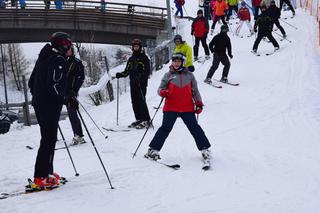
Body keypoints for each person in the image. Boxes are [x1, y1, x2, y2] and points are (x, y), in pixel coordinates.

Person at [145, 52, 211, 163]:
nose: (176, 63)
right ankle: (153, 150)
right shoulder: (168, 75)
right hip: (171, 107)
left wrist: (199, 103)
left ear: (182, 62)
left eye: (179, 61)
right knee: (165, 128)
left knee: (194, 128)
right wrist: (163, 92)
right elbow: (160, 89)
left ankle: (205, 149)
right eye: (174, 61)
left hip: (187, 108)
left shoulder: (190, 75)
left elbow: (195, 91)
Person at [28, 32, 72, 188]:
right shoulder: (58, 59)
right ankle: (40, 177)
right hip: (49, 106)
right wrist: (65, 99)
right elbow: (54, 85)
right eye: (67, 44)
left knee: (49, 138)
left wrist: (39, 98)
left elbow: (31, 82)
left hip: (40, 104)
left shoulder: (44, 56)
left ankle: (47, 171)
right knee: (48, 140)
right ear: (62, 45)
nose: (69, 47)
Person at [115, 39, 151, 129]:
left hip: (141, 83)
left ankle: (146, 120)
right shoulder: (131, 59)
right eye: (134, 46)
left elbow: (147, 71)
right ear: (132, 47)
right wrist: (120, 74)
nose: (136, 48)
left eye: (137, 46)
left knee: (141, 100)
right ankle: (139, 118)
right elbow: (126, 71)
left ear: (140, 47)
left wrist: (142, 76)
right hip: (133, 83)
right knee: (134, 101)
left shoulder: (144, 58)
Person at [65, 47, 86, 145]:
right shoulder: (62, 60)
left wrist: (74, 90)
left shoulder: (77, 62)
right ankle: (53, 135)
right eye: (66, 50)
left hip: (71, 92)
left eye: (69, 50)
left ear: (72, 51)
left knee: (72, 113)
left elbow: (81, 78)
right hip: (61, 92)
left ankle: (79, 135)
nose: (67, 51)